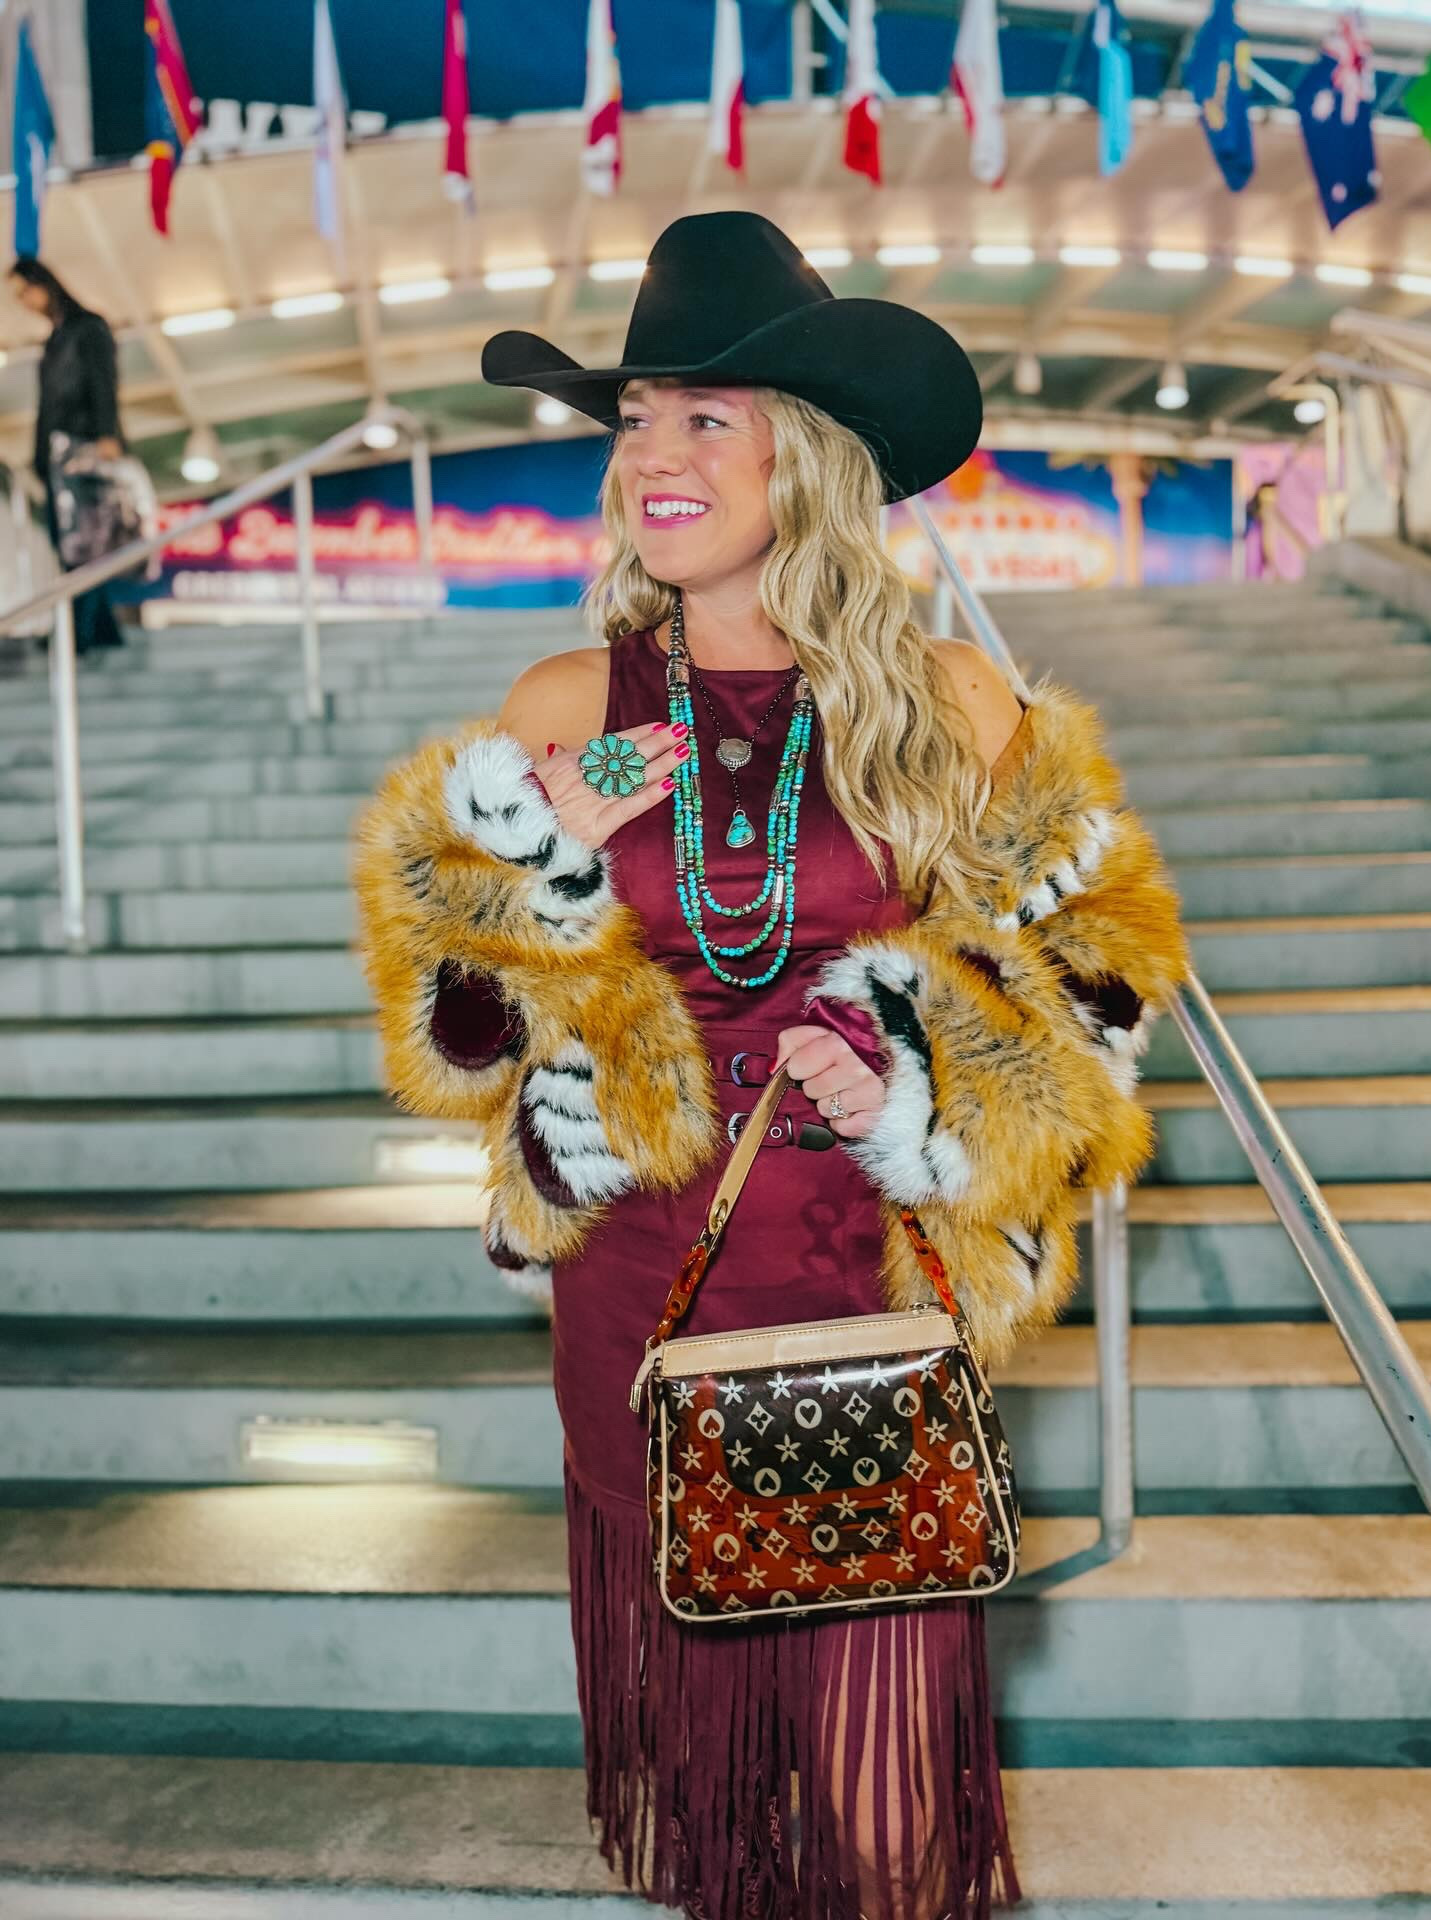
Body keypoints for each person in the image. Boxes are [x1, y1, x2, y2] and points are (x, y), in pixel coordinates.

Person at [352, 213, 1190, 1920]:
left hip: (860, 1283)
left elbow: (1098, 985)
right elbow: (461, 1036)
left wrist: (927, 1090)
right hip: (644, 1290)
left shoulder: (953, 699)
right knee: (719, 1810)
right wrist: (531, 874)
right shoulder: (563, 700)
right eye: (635, 418)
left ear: (803, 453)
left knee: (887, 1822)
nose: (652, 454)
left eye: (703, 417)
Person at [9, 255, 127, 654]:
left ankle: (81, 630)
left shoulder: (87, 328)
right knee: (72, 543)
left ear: (43, 285)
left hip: (86, 451)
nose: (23, 302)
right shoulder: (55, 339)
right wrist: (39, 459)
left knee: (84, 543)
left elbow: (104, 383)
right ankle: (99, 629)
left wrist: (107, 436)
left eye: (24, 292)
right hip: (57, 458)